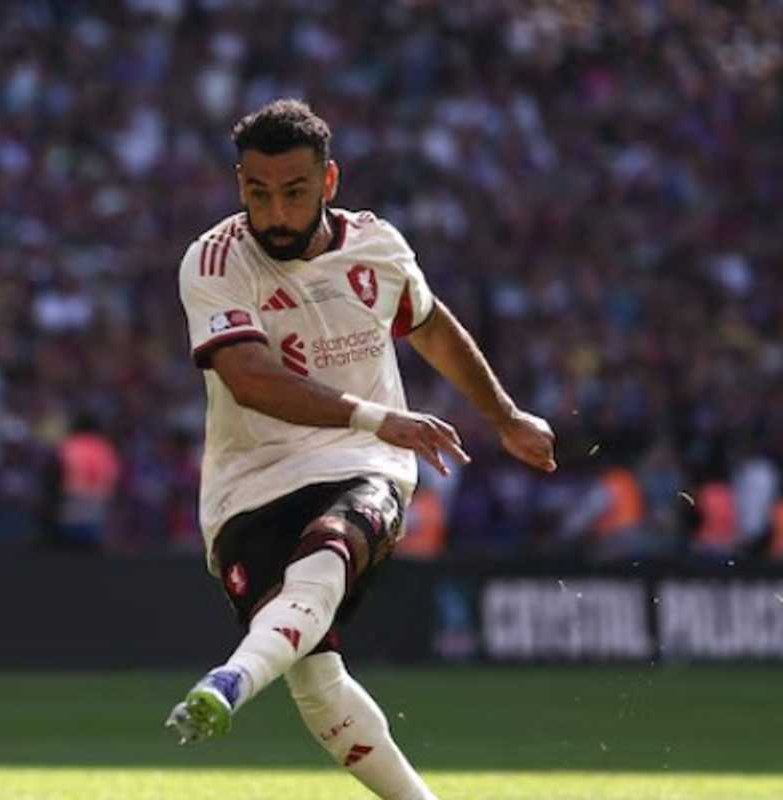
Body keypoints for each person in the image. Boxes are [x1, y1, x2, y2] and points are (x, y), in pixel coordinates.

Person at [167, 99, 556, 799]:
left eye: (294, 193)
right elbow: (249, 379)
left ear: (330, 182)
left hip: (362, 464)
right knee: (318, 682)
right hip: (247, 485)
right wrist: (379, 415)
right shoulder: (215, 259)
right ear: (239, 187)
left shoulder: (378, 248)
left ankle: (229, 680)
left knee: (332, 545)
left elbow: (433, 328)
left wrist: (504, 416)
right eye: (258, 194)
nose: (276, 214)